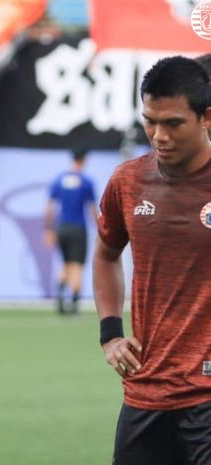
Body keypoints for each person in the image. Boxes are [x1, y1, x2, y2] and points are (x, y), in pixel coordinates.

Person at [94, 55, 211, 465]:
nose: (158, 135)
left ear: (206, 118)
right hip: (147, 389)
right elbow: (107, 254)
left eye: (173, 123)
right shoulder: (127, 181)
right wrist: (110, 333)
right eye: (150, 121)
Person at [44, 149, 97, 314]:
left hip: (62, 226)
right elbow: (92, 208)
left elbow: (50, 207)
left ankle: (60, 291)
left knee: (66, 263)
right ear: (84, 160)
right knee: (77, 266)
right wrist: (100, 227)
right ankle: (73, 303)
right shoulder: (86, 181)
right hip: (78, 227)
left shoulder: (60, 180)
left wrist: (49, 229)